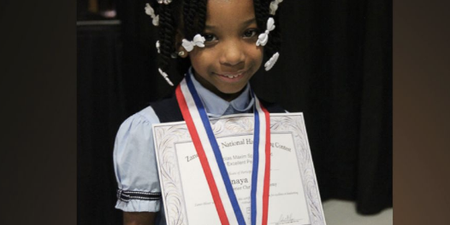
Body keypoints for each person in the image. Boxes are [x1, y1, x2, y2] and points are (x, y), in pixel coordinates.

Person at [113, 0, 285, 224]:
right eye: (209, 37)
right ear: (179, 42)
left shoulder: (282, 124)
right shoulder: (148, 130)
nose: (233, 56)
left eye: (249, 33)